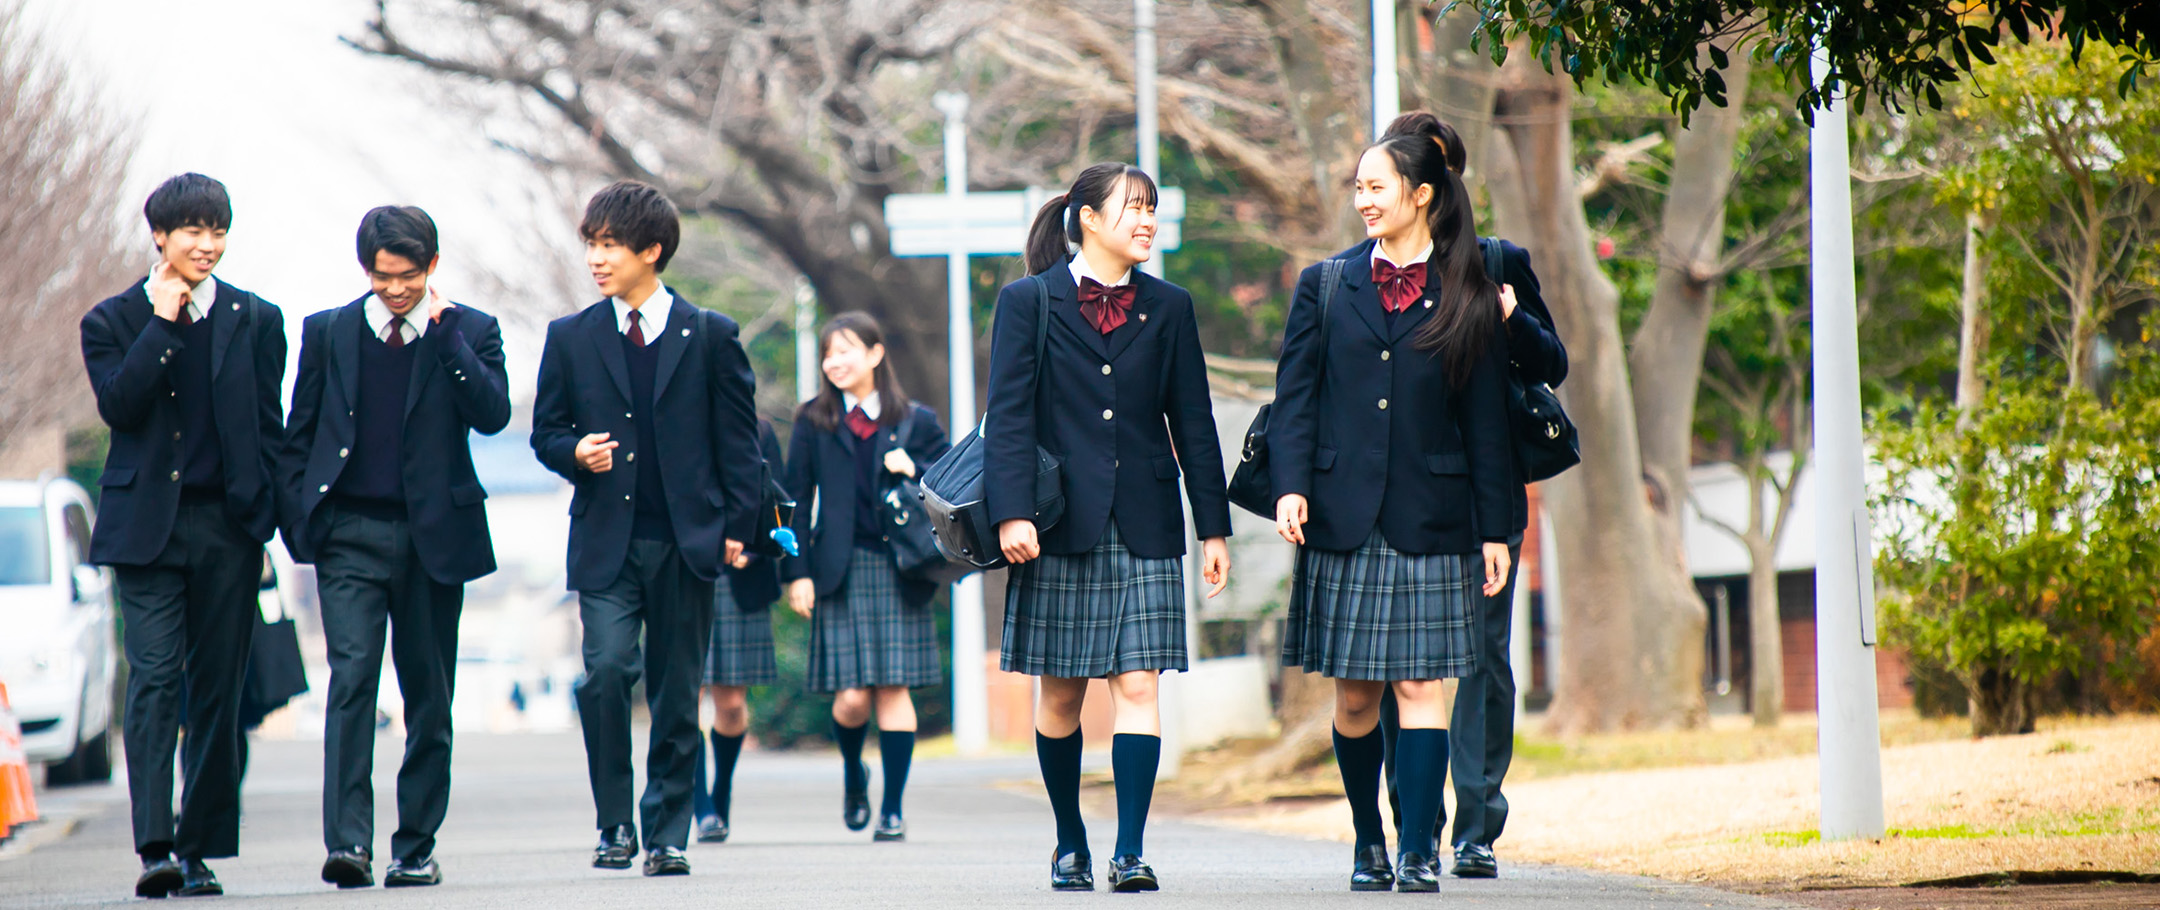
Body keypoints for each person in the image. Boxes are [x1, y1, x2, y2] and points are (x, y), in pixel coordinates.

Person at [1270, 113, 1516, 892]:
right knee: (1352, 697)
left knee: (1420, 689)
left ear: (1419, 194)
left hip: (1434, 517)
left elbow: (1485, 420)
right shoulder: (1327, 283)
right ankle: (1367, 838)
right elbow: (1296, 399)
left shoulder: (1466, 290)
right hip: (1341, 515)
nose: (1363, 200)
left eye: (1376, 187)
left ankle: (1417, 846)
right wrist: (1291, 485)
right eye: (1358, 188)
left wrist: (1496, 528)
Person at [985, 162, 1233, 892]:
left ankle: (1130, 850)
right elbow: (1008, 421)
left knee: (1138, 685)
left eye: (1154, 209)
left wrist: (1212, 527)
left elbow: (1194, 423)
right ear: (1089, 219)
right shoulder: (1028, 303)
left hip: (1148, 521)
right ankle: (1070, 841)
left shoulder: (1172, 306)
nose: (1149, 220)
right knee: (1060, 695)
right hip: (1057, 525)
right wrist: (1010, 513)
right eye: (1135, 208)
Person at [530, 180, 761, 877]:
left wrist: (737, 527)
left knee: (675, 687)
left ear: (651, 250)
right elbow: (545, 432)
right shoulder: (570, 337)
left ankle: (666, 833)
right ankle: (613, 824)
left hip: (688, 540)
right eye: (592, 246)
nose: (596, 260)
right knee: (604, 674)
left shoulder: (712, 335)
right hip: (605, 540)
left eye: (609, 246)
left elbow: (740, 445)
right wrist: (574, 453)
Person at [281, 205, 512, 888]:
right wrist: (304, 527)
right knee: (351, 682)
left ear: (432, 268)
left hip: (435, 537)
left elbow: (493, 414)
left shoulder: (471, 331)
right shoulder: (327, 332)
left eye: (408, 276)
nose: (396, 290)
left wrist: (445, 340)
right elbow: (300, 433)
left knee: (428, 694)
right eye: (383, 278)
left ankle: (415, 845)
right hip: (348, 535)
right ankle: (349, 843)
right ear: (366, 271)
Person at [1367, 113, 1568, 880]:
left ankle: (1477, 826)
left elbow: (1552, 364)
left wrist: (1511, 310)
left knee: (1482, 654)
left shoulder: (1495, 261)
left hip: (1484, 494)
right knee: (1398, 660)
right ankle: (1411, 818)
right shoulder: (1369, 269)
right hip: (1397, 498)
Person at [79, 173, 287, 898]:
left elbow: (271, 430)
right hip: (145, 533)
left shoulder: (257, 320)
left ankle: (199, 848)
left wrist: (266, 524)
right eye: (193, 231)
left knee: (218, 694)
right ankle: (155, 846)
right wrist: (164, 324)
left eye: (218, 230)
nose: (207, 244)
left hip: (228, 530)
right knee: (156, 680)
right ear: (159, 237)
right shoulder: (112, 321)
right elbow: (119, 408)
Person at [781, 313, 951, 842]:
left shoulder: (916, 420)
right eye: (829, 353)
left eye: (846, 350)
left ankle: (893, 809)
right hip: (839, 568)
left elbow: (953, 488)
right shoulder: (813, 420)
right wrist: (797, 573)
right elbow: (793, 500)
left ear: (876, 354)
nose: (835, 361)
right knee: (852, 697)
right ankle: (855, 773)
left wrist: (914, 471)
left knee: (893, 688)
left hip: (900, 566)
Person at [691, 417, 786, 844]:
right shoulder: (670, 420)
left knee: (730, 704)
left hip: (741, 578)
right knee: (682, 696)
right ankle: (699, 806)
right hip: (685, 572)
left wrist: (755, 548)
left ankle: (721, 788)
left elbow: (780, 506)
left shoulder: (758, 431)